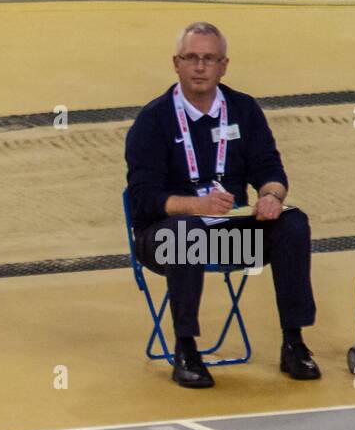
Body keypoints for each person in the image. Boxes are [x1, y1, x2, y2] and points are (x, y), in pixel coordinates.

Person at [125, 21, 320, 388]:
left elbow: (270, 168)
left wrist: (271, 196)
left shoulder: (243, 110)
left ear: (224, 65)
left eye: (209, 59)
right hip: (164, 239)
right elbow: (142, 198)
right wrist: (195, 205)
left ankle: (294, 342)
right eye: (191, 58)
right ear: (176, 63)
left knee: (294, 223)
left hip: (231, 236)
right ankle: (186, 348)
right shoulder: (152, 121)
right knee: (186, 233)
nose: (200, 67)